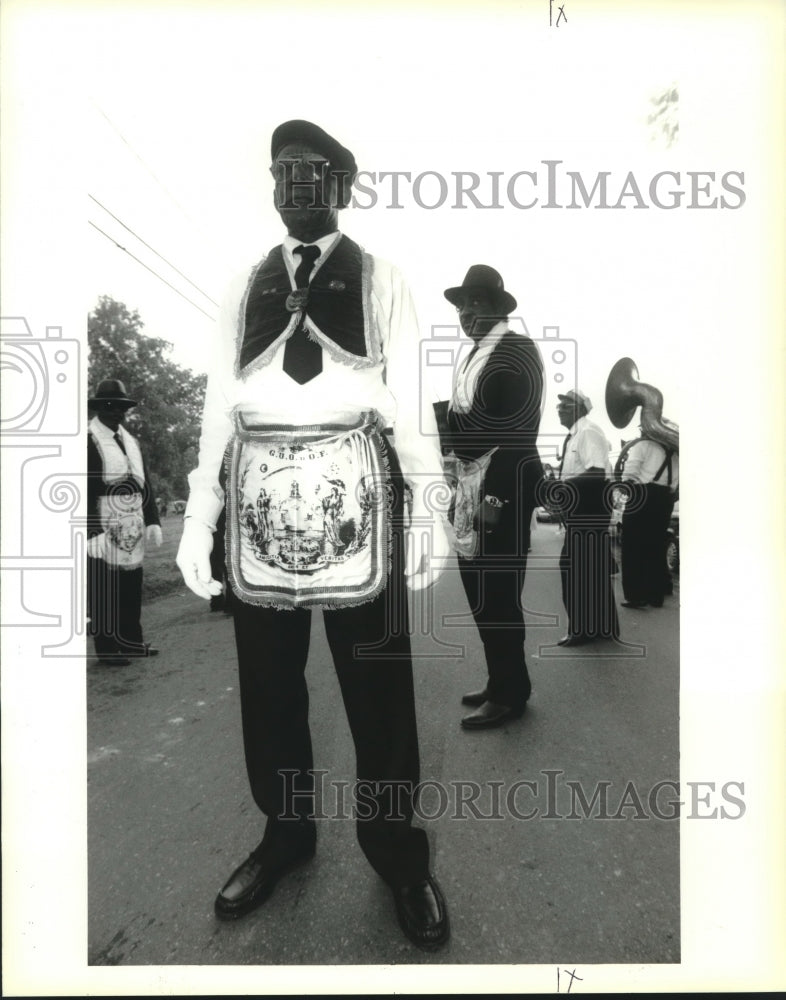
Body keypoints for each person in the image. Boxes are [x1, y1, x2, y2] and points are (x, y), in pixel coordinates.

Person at [175, 120, 451, 950]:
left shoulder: (386, 280)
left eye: (307, 175)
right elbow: (218, 405)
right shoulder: (240, 284)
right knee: (268, 687)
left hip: (357, 492)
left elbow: (407, 395)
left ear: (340, 186)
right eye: (277, 175)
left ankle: (398, 856)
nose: (290, 189)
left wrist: (429, 502)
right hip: (256, 495)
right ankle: (287, 836)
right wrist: (198, 514)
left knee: (377, 688)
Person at [442, 265, 544, 729]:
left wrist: (493, 505)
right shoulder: (474, 355)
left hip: (500, 485)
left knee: (498, 592)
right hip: (471, 484)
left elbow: (517, 433)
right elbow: (465, 423)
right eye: (461, 305)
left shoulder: (516, 351)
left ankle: (509, 695)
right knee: (480, 591)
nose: (465, 313)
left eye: (475, 304)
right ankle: (501, 678)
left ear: (498, 308)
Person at [87, 378, 162, 665]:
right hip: (103, 520)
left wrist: (153, 519)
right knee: (105, 587)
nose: (116, 413)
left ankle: (132, 642)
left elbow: (147, 484)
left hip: (132, 520)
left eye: (120, 408)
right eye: (109, 407)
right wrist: (92, 530)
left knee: (131, 584)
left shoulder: (131, 442)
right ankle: (107, 650)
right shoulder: (88, 440)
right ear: (98, 408)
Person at [555, 388, 619, 645]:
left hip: (589, 511)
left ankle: (581, 630)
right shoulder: (574, 435)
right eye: (558, 406)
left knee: (574, 570)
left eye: (565, 405)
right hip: (582, 509)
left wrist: (563, 487)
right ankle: (603, 628)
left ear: (579, 409)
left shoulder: (588, 431)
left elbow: (596, 473)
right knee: (590, 571)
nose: (558, 409)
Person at [618, 435, 679, 608]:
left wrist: (627, 487)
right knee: (656, 547)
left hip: (642, 495)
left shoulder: (642, 445)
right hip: (665, 499)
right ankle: (655, 596)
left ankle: (635, 597)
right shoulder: (675, 452)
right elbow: (675, 485)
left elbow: (630, 472)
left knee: (632, 547)